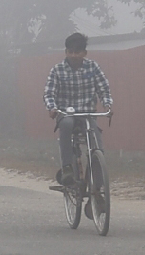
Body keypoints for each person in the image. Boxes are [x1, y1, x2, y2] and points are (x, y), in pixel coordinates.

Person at [43, 32, 113, 186]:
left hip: (87, 114)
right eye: (70, 52)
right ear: (66, 52)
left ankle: (97, 186)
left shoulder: (93, 67)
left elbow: (104, 90)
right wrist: (52, 108)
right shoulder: (57, 70)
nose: (73, 55)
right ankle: (67, 167)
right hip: (66, 113)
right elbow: (49, 93)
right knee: (67, 125)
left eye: (77, 52)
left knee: (96, 143)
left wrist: (107, 105)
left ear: (84, 53)